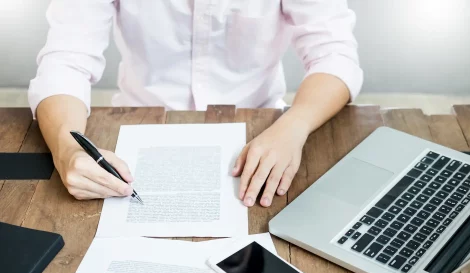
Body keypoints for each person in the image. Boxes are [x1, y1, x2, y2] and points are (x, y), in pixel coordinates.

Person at [29, 0, 363, 208]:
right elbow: (65, 61)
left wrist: (295, 125)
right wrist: (66, 149)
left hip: (265, 134)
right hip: (137, 131)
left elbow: (334, 55)